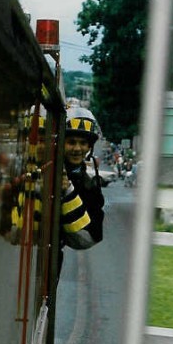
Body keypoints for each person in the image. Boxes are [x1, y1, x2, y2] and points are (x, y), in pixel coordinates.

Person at [60, 108, 104, 252]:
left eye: (83, 143)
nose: (77, 149)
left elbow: (92, 236)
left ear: (89, 147)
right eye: (71, 142)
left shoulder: (90, 184)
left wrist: (67, 191)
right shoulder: (48, 172)